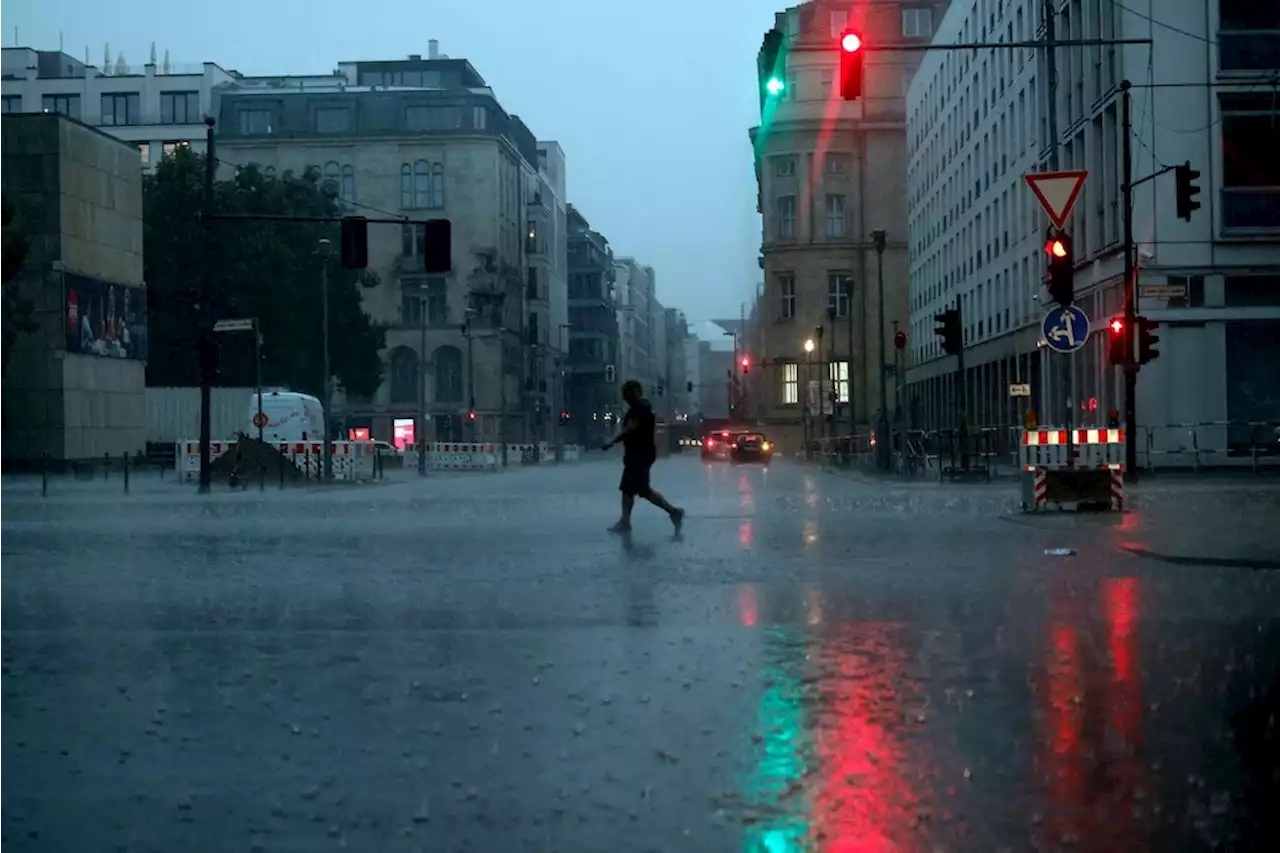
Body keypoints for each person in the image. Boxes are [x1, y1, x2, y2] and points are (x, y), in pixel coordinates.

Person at [602, 380, 685, 534]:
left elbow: (630, 428)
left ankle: (627, 522)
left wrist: (611, 442)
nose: (625, 398)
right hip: (640, 454)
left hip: (639, 455)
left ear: (635, 393)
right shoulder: (640, 408)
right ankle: (673, 512)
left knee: (632, 488)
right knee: (638, 490)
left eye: (627, 394)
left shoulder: (639, 409)